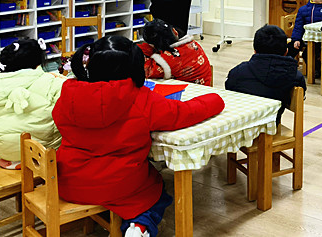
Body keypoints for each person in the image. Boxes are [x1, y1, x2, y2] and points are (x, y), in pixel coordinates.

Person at [52, 36, 224, 237]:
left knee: (137, 184)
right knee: (156, 190)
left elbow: (59, 120)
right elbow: (182, 113)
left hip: (68, 182)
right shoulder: (139, 96)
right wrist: (216, 98)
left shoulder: (69, 92)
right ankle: (139, 226)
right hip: (120, 183)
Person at [0, 38, 65, 169]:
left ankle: (4, 161)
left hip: (1, 151)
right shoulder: (51, 81)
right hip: (37, 152)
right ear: (38, 62)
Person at [225, 25, 306, 123]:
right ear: (286, 51)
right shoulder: (295, 76)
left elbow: (228, 89)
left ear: (254, 51)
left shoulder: (238, 71)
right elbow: (300, 98)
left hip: (241, 125)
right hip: (270, 128)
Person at [139, 18, 212, 85]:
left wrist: (144, 49)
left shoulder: (169, 58)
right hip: (204, 86)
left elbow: (146, 72)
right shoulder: (192, 44)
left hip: (192, 93)